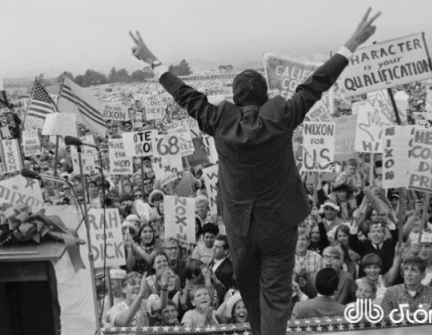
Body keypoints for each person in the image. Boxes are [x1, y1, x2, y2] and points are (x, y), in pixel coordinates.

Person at [130, 8, 380, 334]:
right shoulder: (281, 115)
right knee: (275, 296)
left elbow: (184, 95)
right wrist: (352, 44)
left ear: (235, 98)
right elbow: (317, 84)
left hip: (238, 227)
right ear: (264, 99)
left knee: (249, 291)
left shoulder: (218, 119)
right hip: (279, 224)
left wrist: (153, 61)